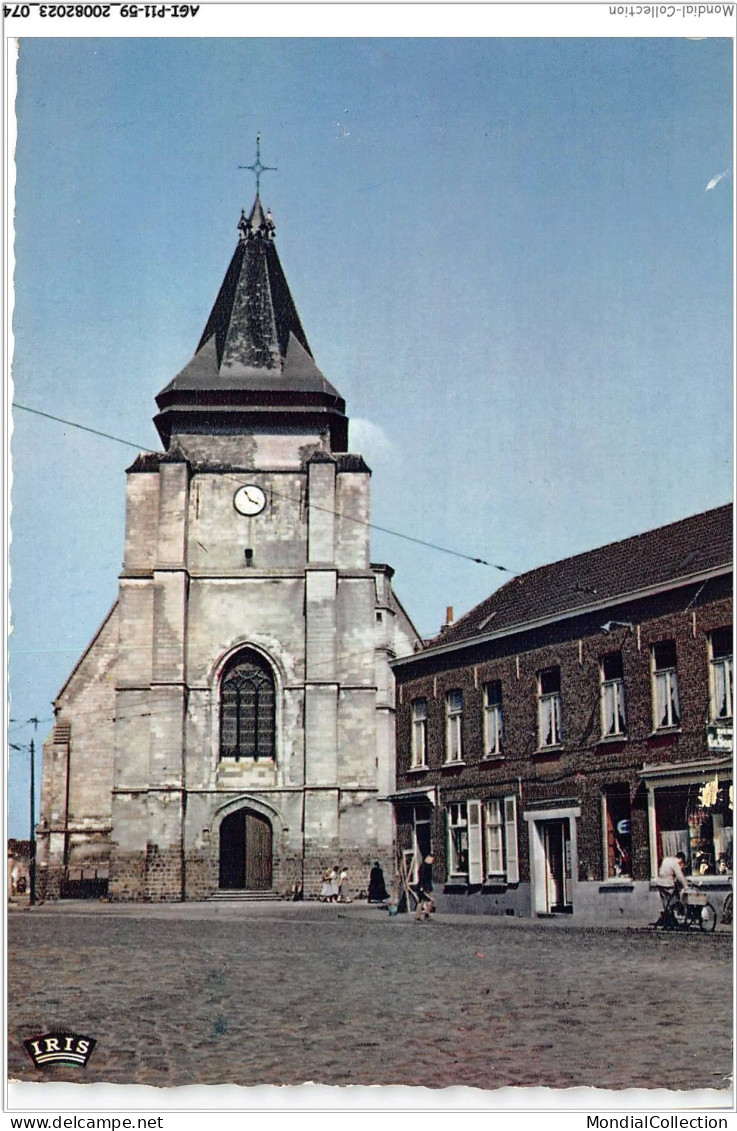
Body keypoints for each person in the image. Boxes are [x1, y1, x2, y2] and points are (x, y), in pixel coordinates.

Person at [656, 851, 690, 920]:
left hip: (660, 883)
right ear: (681, 859)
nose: (681, 863)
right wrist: (686, 886)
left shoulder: (666, 859)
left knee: (666, 902)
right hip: (668, 884)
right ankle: (672, 917)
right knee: (675, 899)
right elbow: (679, 876)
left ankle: (669, 918)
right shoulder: (675, 863)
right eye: (681, 862)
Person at [414, 854, 435, 921]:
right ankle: (426, 914)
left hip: (424, 886)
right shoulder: (425, 867)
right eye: (432, 859)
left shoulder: (424, 866)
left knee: (421, 901)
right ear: (428, 858)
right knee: (431, 900)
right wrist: (422, 887)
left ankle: (417, 916)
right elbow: (422, 877)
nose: (433, 861)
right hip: (424, 887)